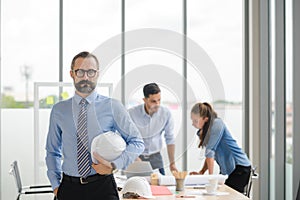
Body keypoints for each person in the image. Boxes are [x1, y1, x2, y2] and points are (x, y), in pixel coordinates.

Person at [45, 51, 144, 200]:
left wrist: (114, 165)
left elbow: (137, 142)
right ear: (72, 74)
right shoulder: (59, 110)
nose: (85, 77)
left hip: (102, 187)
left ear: (97, 74)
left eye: (91, 72)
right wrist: (56, 187)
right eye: (80, 72)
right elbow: (52, 151)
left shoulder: (113, 106)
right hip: (69, 188)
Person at [189, 102, 251, 193]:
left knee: (226, 195)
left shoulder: (217, 123)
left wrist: (210, 179)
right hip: (228, 171)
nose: (193, 124)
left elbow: (209, 152)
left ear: (205, 119)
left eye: (195, 121)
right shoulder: (204, 131)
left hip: (240, 167)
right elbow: (210, 156)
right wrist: (202, 172)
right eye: (192, 120)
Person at [128, 83, 178, 175]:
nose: (157, 104)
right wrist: (134, 157)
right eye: (153, 101)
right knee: (134, 186)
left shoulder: (166, 114)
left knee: (161, 187)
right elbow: (125, 137)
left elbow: (169, 138)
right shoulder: (131, 114)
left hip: (156, 157)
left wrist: (172, 163)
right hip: (137, 157)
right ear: (144, 100)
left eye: (159, 100)